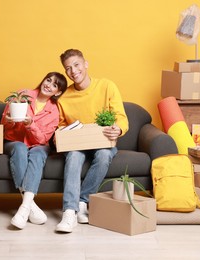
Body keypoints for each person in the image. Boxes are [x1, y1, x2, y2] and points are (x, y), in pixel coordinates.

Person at [55, 49, 129, 233]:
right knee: (73, 156)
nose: (73, 71)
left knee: (104, 155)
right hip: (76, 144)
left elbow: (120, 116)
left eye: (76, 65)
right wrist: (60, 137)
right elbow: (61, 125)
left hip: (102, 141)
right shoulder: (64, 97)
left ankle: (82, 202)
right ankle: (70, 212)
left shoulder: (106, 86)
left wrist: (118, 128)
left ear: (85, 64)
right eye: (68, 68)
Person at [1, 72, 67, 229]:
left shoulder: (54, 111)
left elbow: (43, 139)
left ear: (57, 92)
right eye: (48, 80)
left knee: (38, 154)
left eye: (54, 85)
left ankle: (24, 208)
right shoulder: (23, 95)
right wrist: (9, 121)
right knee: (20, 147)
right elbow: (4, 124)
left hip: (38, 145)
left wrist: (30, 125)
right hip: (14, 141)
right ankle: (29, 205)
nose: (48, 85)